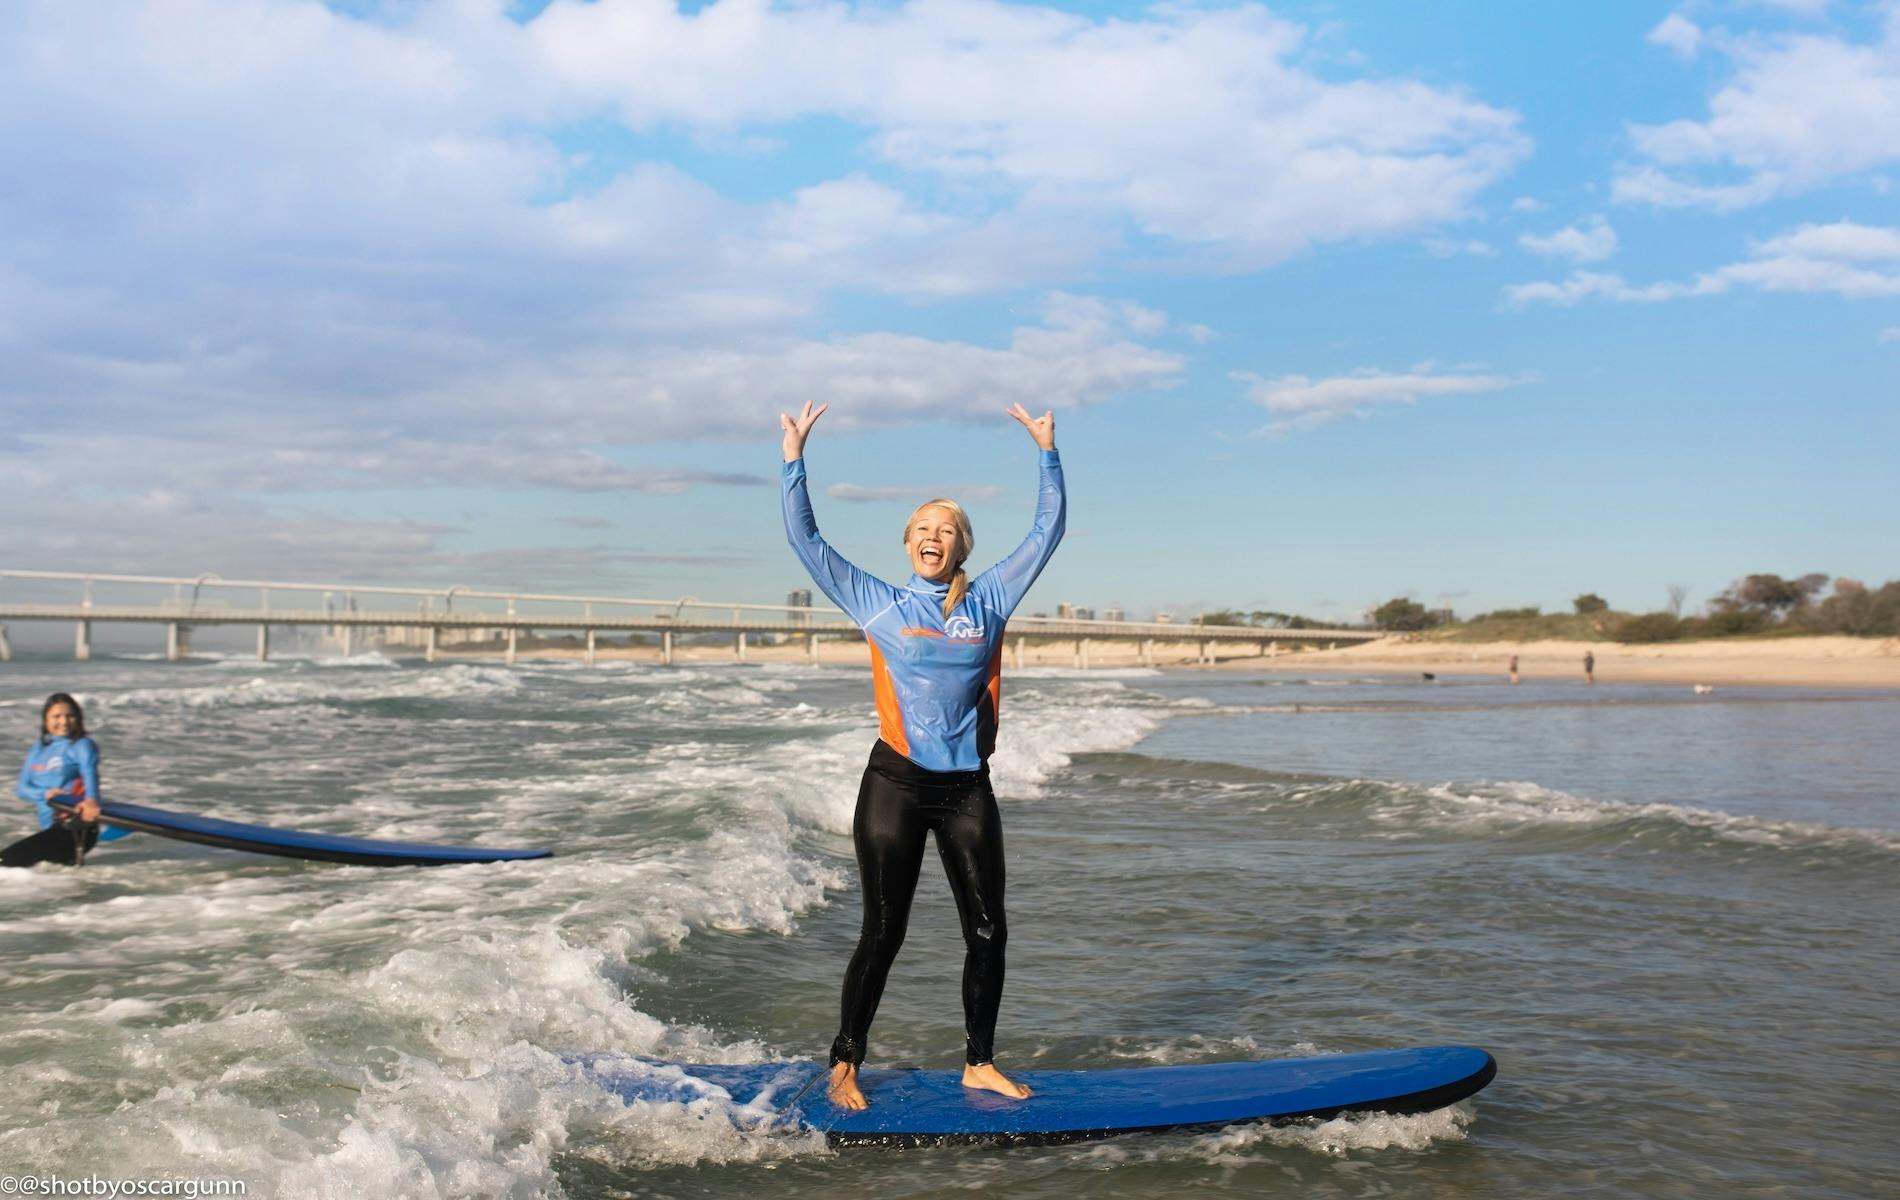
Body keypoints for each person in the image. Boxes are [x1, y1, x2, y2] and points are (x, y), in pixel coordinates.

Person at [780, 399, 1064, 1112]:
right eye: (923, 529)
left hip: (967, 787)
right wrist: (794, 460)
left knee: (989, 929)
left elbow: (1047, 530)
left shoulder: (992, 598)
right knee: (885, 928)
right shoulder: (875, 601)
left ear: (961, 546)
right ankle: (845, 1060)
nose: (934, 537)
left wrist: (1046, 452)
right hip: (895, 785)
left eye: (947, 530)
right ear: (908, 543)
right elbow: (808, 542)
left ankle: (979, 1062)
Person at [5, 694, 132, 868]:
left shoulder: (81, 744)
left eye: (70, 716)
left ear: (78, 718)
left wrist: (92, 801)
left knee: (5, 862)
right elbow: (22, 789)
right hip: (52, 829)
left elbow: (90, 773)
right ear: (45, 719)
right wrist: (45, 793)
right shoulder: (40, 747)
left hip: (75, 828)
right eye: (56, 716)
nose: (64, 722)